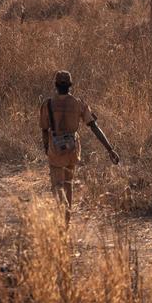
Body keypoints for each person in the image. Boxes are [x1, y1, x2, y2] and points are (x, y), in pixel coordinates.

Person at [39, 71, 120, 218]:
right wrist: (110, 149)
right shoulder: (79, 103)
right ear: (70, 86)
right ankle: (66, 220)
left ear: (55, 85)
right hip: (72, 149)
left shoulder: (48, 104)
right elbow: (94, 127)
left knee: (57, 185)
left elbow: (44, 129)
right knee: (68, 183)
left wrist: (47, 147)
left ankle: (60, 219)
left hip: (55, 150)